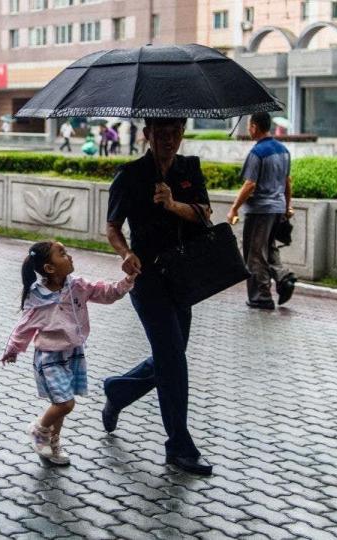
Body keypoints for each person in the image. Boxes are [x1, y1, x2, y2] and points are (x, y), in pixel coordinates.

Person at [103, 117, 214, 476]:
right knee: (172, 359)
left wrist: (173, 204)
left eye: (175, 134)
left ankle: (119, 391)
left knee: (172, 354)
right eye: (161, 134)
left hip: (183, 276)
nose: (169, 140)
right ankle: (179, 446)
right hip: (147, 278)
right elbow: (112, 228)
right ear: (147, 134)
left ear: (182, 133)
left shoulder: (189, 169)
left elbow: (204, 214)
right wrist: (125, 255)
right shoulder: (130, 174)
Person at [1, 241, 134, 466]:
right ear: (50, 268)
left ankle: (53, 443)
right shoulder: (38, 298)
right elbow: (23, 327)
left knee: (60, 404)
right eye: (62, 254)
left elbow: (107, 293)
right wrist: (13, 349)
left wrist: (128, 280)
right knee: (65, 403)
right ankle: (39, 429)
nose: (69, 256)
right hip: (49, 357)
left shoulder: (78, 286)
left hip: (73, 354)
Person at [227, 112, 297, 311]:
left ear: (255, 127)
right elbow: (287, 183)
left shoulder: (257, 153)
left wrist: (234, 209)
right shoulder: (283, 150)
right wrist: (285, 207)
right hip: (277, 209)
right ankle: (284, 278)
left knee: (255, 254)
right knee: (269, 248)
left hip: (260, 210)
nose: (249, 129)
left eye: (249, 126)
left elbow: (250, 185)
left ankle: (261, 296)